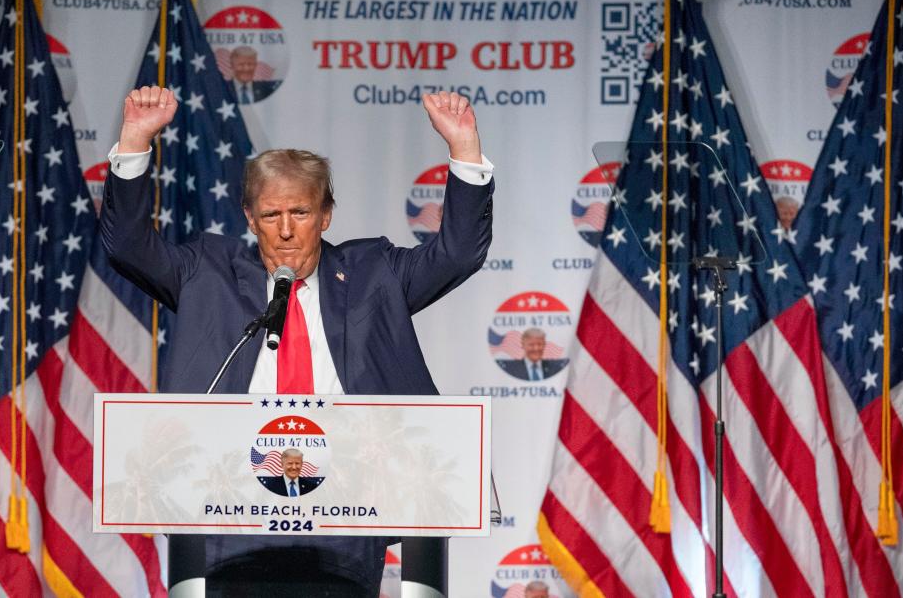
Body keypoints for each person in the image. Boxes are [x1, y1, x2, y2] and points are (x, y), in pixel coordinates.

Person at [101, 85, 492, 596]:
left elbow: (458, 254)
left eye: (301, 213)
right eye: (270, 215)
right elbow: (126, 245)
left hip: (345, 520)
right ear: (249, 218)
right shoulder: (206, 272)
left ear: (325, 215)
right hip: (227, 520)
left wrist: (463, 150)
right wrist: (134, 140)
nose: (285, 230)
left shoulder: (375, 272)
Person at [497, 328, 569, 381]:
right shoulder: (510, 369)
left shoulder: (557, 368)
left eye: (540, 344)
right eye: (531, 345)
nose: (536, 349)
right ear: (523, 345)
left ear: (544, 345)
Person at [257, 449, 324, 497]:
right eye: (290, 463)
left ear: (302, 464)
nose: (294, 467)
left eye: (297, 463)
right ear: (282, 464)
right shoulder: (269, 487)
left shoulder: (311, 487)